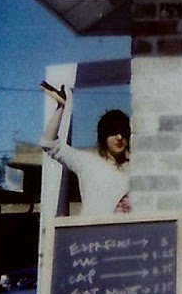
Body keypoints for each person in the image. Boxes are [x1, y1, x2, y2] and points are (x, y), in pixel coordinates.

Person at [40, 83, 131, 217]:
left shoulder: (138, 167)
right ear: (104, 136)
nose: (119, 137)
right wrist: (61, 107)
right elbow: (49, 144)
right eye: (113, 132)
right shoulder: (87, 162)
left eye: (123, 132)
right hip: (93, 229)